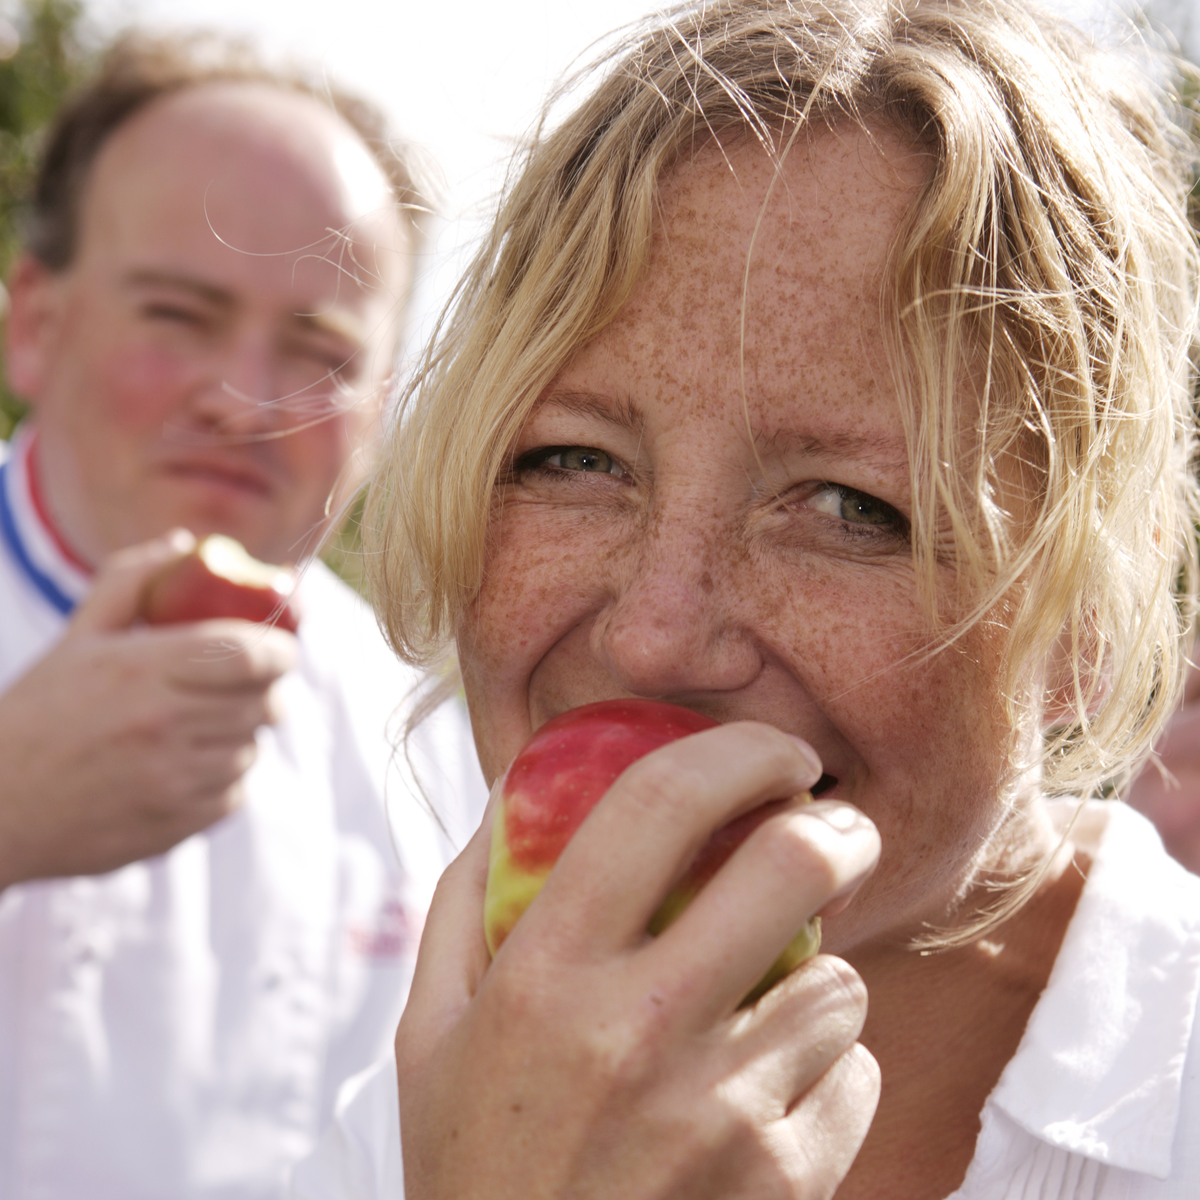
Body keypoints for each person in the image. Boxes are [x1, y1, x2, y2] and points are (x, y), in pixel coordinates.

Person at [292, 0, 1200, 1197]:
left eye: (849, 507)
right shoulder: (392, 1122)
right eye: (576, 461)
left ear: (1088, 613)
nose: (655, 634)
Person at [0, 33, 485, 1200]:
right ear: (34, 324)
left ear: (380, 409)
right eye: (177, 313)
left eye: (320, 351)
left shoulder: (419, 732)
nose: (245, 398)